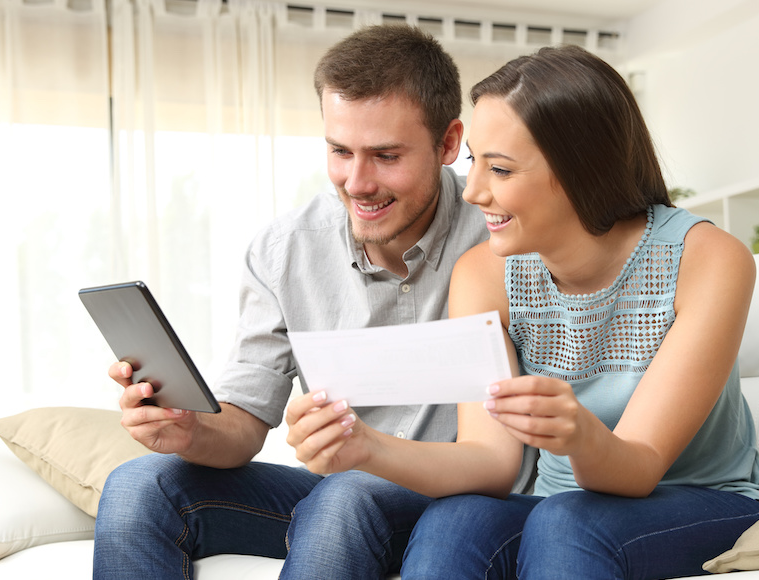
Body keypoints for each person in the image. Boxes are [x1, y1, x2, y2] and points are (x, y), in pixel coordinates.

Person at [287, 44, 759, 580]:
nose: (472, 191)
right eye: (475, 162)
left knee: (570, 521)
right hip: (560, 511)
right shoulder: (483, 274)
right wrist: (365, 445)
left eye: (499, 169)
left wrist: (579, 435)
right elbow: (492, 462)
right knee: (458, 519)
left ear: (580, 170)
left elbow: (639, 467)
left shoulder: (707, 259)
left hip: (705, 502)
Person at [93, 25, 533, 580]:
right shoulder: (283, 252)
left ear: (449, 144)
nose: (358, 182)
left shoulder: (503, 234)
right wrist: (188, 429)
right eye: (339, 151)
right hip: (343, 500)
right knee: (139, 484)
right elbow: (245, 422)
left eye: (386, 156)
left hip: (468, 501)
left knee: (344, 497)